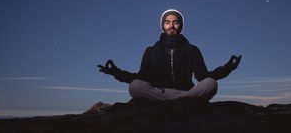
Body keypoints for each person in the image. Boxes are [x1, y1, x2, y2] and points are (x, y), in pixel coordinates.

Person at [98, 9, 241, 101]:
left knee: (211, 84)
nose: (171, 25)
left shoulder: (192, 49)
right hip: (160, 93)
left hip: (186, 91)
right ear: (163, 25)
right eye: (167, 22)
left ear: (180, 25)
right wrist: (115, 72)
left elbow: (203, 77)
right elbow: (142, 77)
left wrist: (227, 68)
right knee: (135, 86)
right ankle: (183, 101)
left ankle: (180, 99)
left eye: (175, 22)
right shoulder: (151, 51)